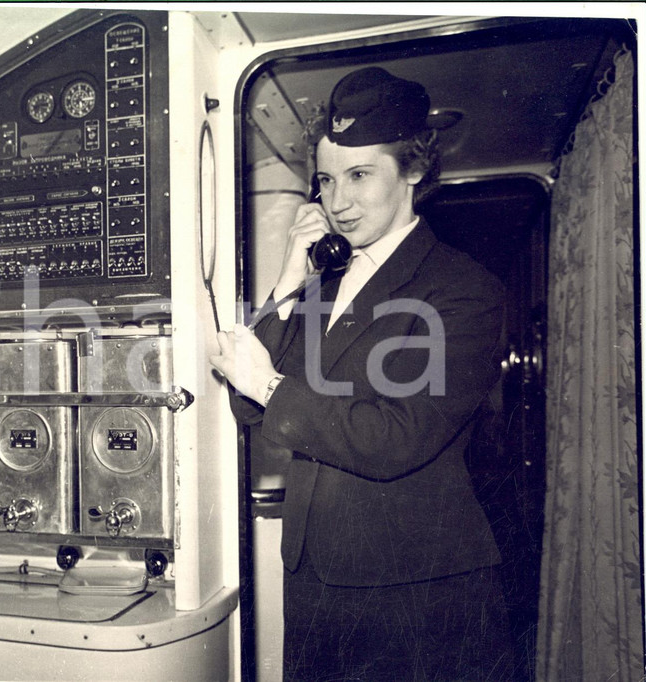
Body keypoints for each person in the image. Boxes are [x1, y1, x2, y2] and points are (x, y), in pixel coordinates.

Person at [210, 67, 514, 681]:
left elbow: (396, 437)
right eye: (325, 179)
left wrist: (270, 385)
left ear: (413, 171)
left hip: (415, 586)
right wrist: (292, 272)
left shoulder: (463, 290)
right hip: (314, 578)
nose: (337, 201)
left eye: (359, 175)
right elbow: (247, 406)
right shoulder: (322, 284)